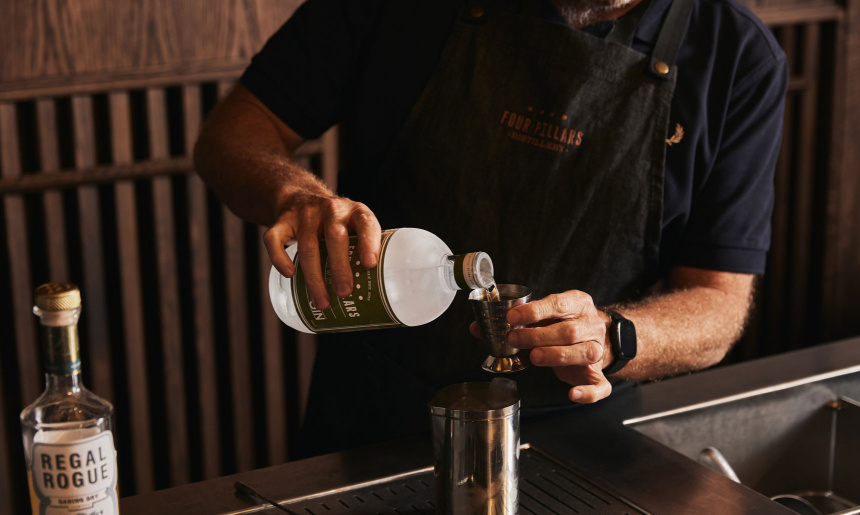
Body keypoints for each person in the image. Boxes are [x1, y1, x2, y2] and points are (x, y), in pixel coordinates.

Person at [194, 0, 788, 457]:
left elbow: (718, 304)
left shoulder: (739, 55)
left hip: (576, 443)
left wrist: (614, 337)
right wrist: (293, 191)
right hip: (373, 419)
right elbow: (232, 134)